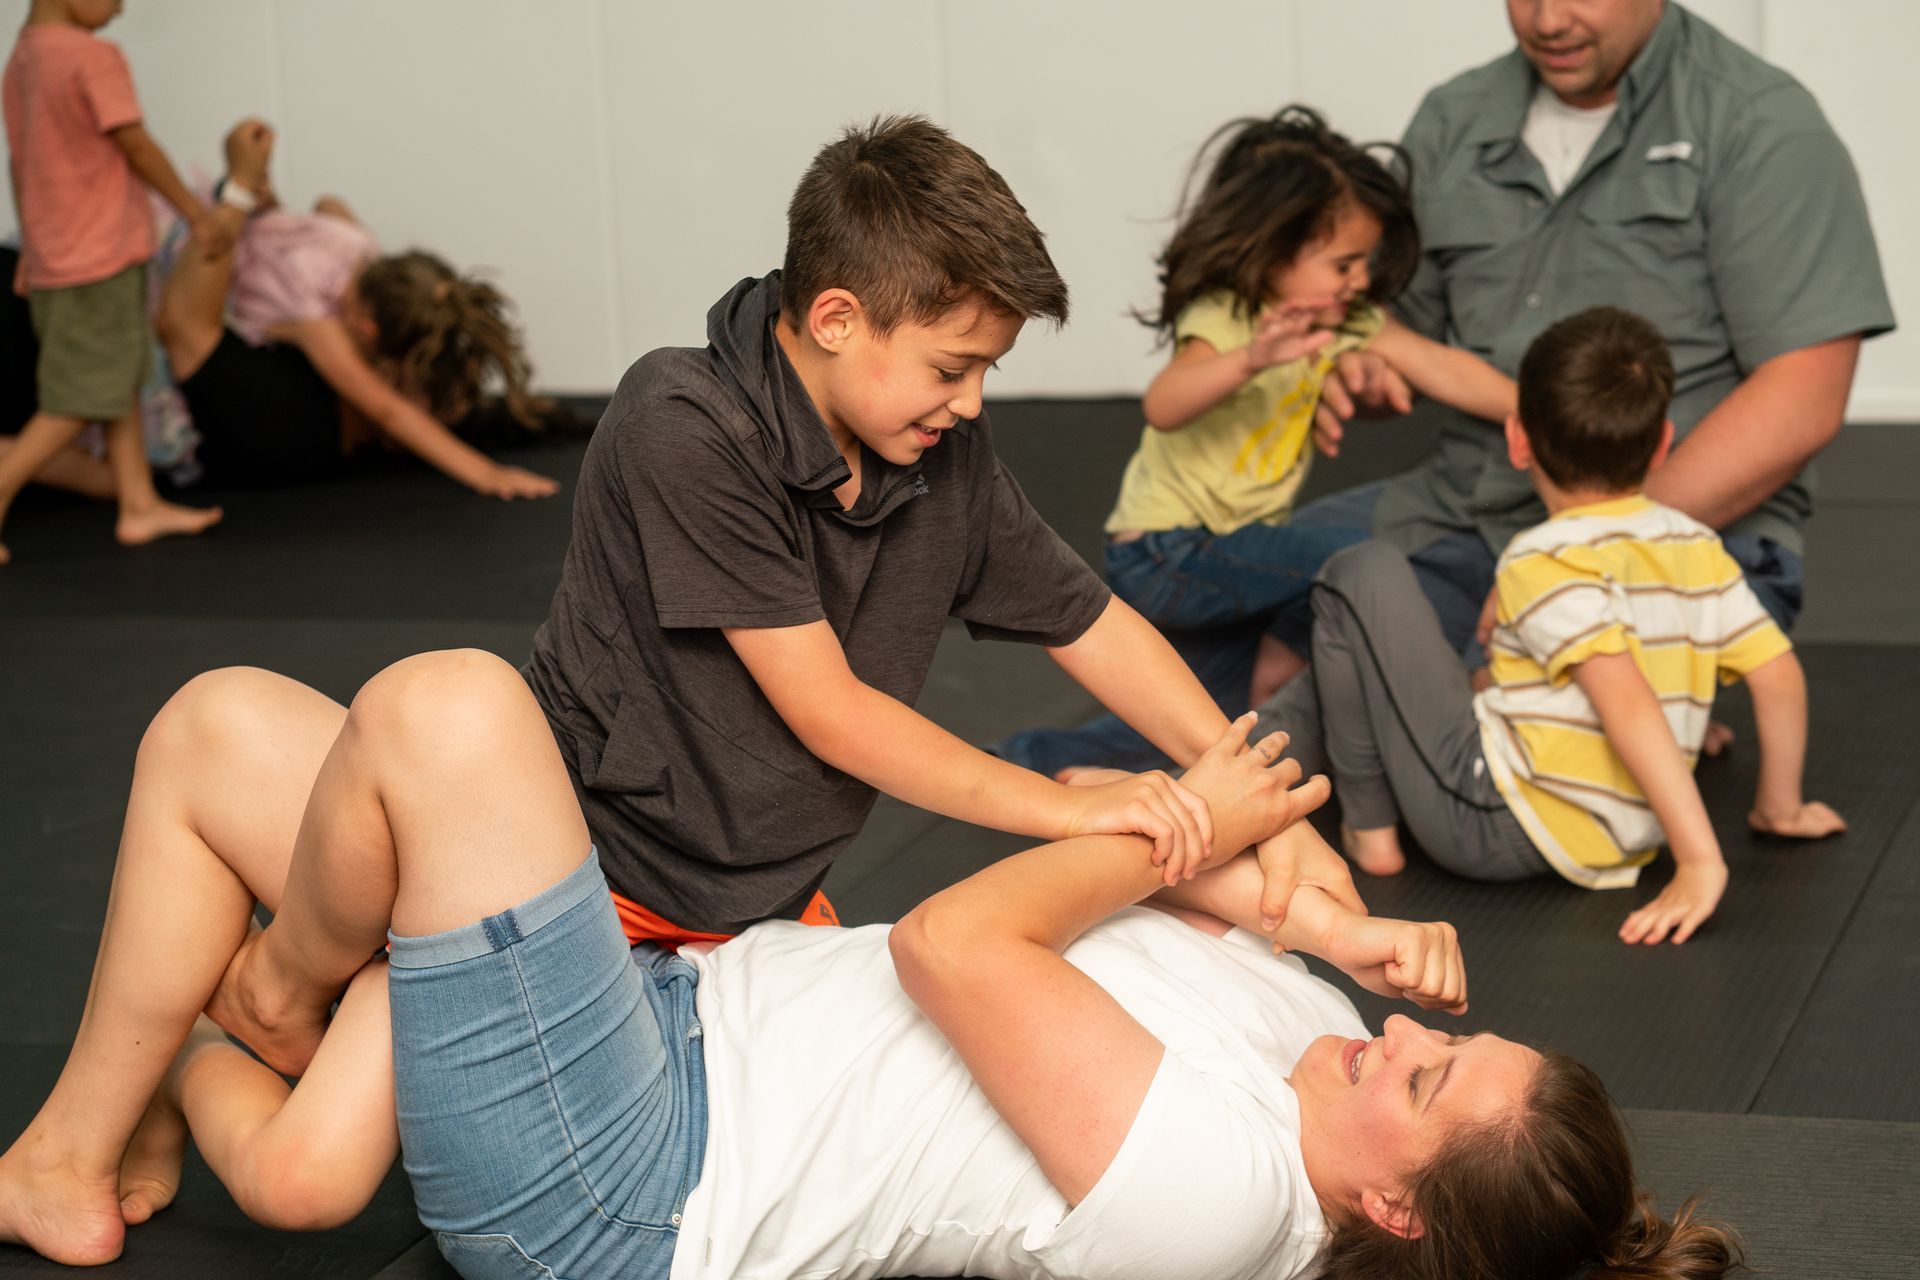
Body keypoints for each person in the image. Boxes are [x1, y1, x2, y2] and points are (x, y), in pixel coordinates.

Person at [0, 650, 1744, 1280]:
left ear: (1396, 1213)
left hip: (635, 1189)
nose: (1402, 1041)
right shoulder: (1320, 1036)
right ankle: (120, 1122)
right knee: (214, 724)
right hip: (668, 1004)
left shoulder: (1217, 1203)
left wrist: (1189, 835)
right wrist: (1309, 911)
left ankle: (251, 1016)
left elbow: (957, 935)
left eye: (1428, 1084)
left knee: (452, 714)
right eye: (1452, 1035)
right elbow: (1136, 848)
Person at [515, 113, 1360, 958]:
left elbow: (1088, 620)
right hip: (579, 879)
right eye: (953, 368)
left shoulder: (938, 443)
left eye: (989, 370)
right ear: (835, 320)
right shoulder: (683, 423)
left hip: (758, 899)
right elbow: (832, 712)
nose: (973, 402)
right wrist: (1069, 809)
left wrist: (1270, 806)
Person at [1302, 0, 1895, 673]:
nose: (1549, 20)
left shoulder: (1763, 124)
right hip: (1461, 508)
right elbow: (1401, 340)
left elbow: (1804, 396)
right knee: (1213, 616)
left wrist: (1578, 550)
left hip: (1678, 530)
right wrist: (1362, 377)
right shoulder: (1452, 117)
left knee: (1490, 736)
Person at [1259, 307, 1845, 945]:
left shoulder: (1542, 557)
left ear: (1517, 440)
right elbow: (1779, 674)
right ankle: (1250, 778)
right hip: (1623, 834)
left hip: (1494, 825)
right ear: (1662, 442)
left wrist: (1701, 859)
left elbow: (1624, 699)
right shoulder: (1697, 544)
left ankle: (1368, 831)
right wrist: (1778, 806)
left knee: (1359, 570)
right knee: (1452, 668)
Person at [991, 107, 1516, 780]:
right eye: (1344, 262)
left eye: (1365, 262)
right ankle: (1281, 655)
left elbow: (1443, 367)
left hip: (1233, 551)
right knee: (1359, 557)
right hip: (1170, 550)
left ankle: (1030, 761)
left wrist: (1536, 414)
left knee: (1200, 718)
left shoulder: (1345, 320)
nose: (1360, 279)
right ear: (1276, 251)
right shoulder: (1228, 315)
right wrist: (1253, 359)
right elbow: (1164, 403)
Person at [144, 118, 563, 498]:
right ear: (368, 329)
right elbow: (386, 408)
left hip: (221, 246)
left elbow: (327, 204)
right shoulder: (322, 326)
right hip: (207, 257)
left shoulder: (356, 243)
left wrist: (260, 205)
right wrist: (485, 474)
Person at [0, 0, 224, 564]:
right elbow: (137, 146)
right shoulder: (91, 56)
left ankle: (139, 503)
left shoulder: (23, 59)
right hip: (98, 259)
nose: (121, 7)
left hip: (57, 257)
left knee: (119, 380)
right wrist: (196, 215)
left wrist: (32, 246)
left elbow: (20, 163)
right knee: (76, 402)